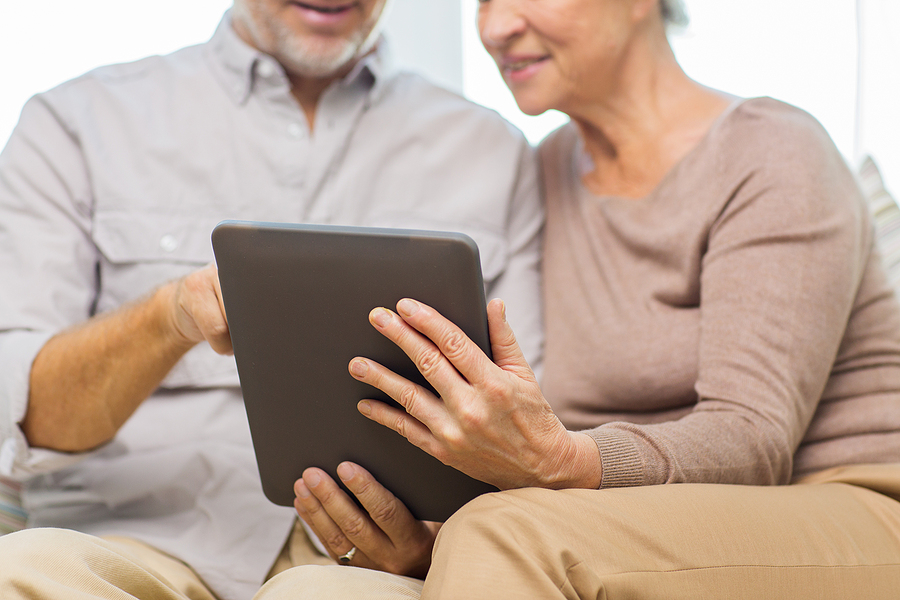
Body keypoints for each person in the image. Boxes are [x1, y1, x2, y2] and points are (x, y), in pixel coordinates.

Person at [280, 0, 900, 597]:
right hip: (637, 515)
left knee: (501, 533)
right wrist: (425, 541)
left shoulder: (772, 150)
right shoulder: (541, 172)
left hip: (843, 500)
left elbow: (754, 440)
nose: (494, 26)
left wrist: (559, 459)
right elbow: (544, 421)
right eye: (483, 0)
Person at [0, 0, 544, 598]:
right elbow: (32, 417)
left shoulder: (493, 151)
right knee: (18, 570)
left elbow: (526, 434)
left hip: (372, 571)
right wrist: (167, 318)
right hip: (138, 546)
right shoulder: (76, 123)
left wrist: (435, 548)